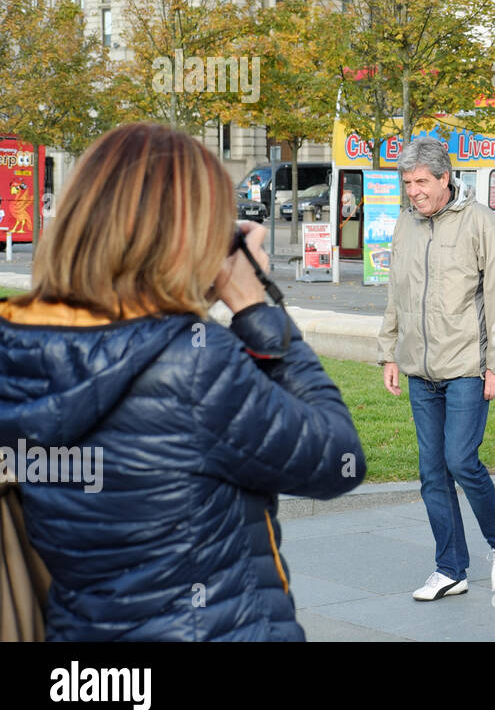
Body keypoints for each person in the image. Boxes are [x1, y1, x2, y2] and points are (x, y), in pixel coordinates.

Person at [0, 123, 365, 641]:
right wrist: (253, 304)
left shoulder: (18, 343)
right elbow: (337, 458)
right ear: (183, 237)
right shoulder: (190, 365)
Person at [379, 138, 495, 602]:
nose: (414, 192)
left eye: (421, 182)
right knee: (431, 473)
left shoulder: (481, 223)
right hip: (421, 369)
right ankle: (450, 569)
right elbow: (396, 295)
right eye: (407, 183)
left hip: (467, 366)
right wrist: (389, 352)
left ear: (445, 178)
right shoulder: (406, 225)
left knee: (461, 461)